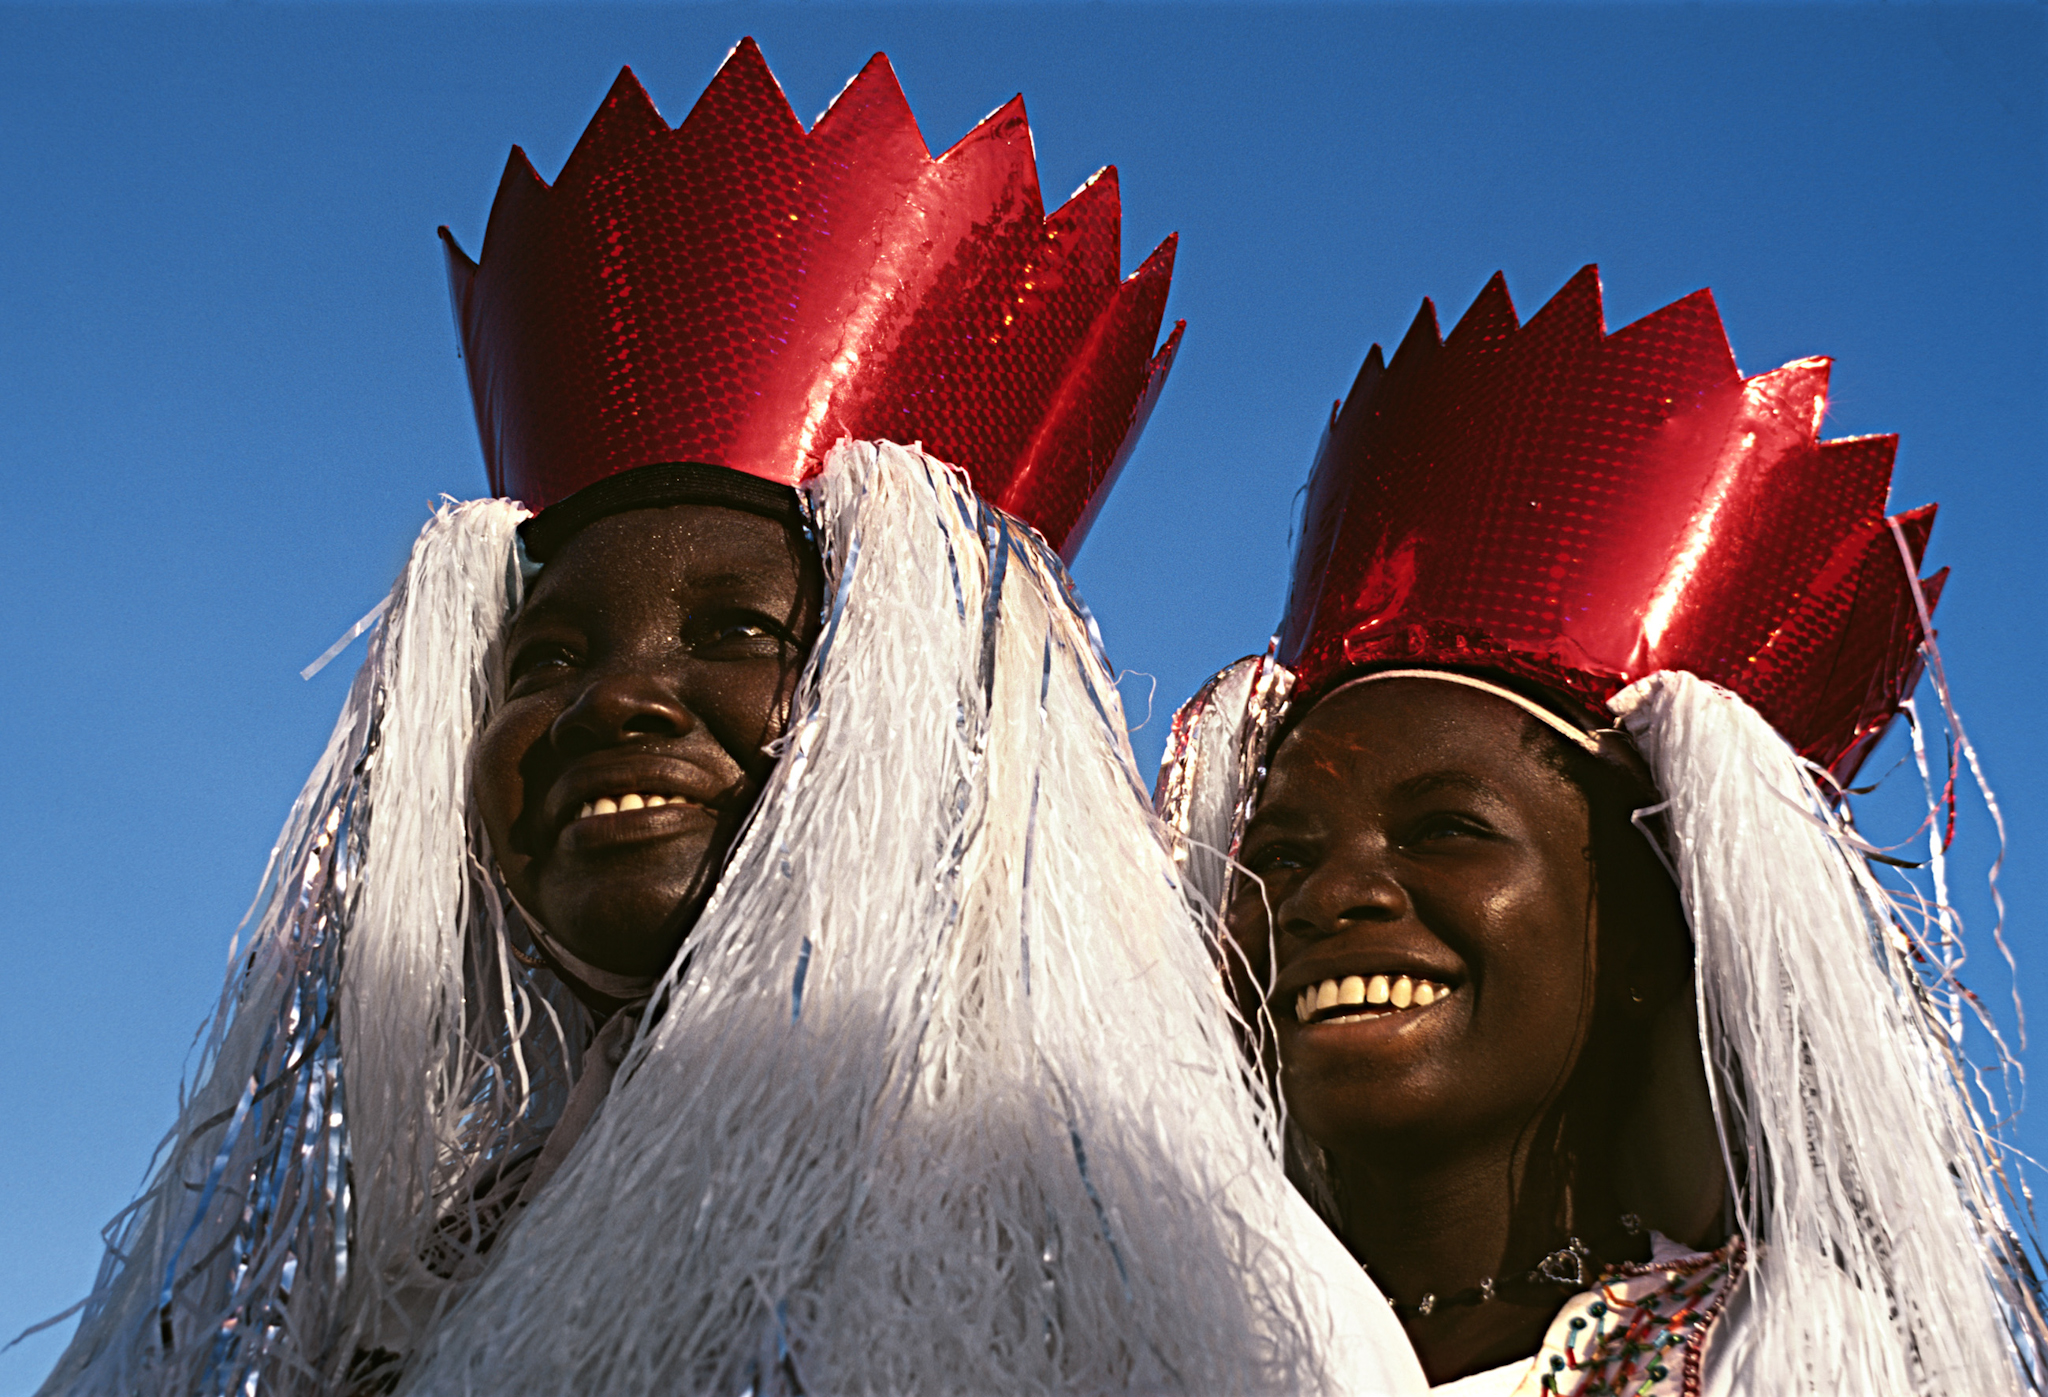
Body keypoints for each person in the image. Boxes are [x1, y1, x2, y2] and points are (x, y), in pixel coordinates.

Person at [41, 41, 1417, 1397]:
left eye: (738, 632)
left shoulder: (1206, 1295)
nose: (616, 697)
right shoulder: (392, 1294)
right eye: (549, 652)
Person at [1157, 266, 2047, 1394]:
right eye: (1278, 852)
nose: (1333, 894)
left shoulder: (1782, 1361)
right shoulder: (1117, 1343)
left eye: (1441, 828)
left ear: (1638, 936)